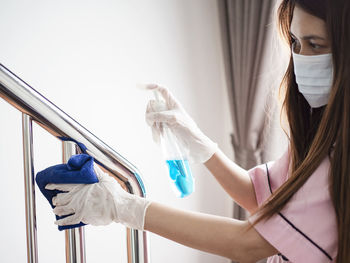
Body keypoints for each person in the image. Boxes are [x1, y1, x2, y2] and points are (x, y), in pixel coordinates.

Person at [46, 0, 349, 262]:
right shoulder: (322, 133)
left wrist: (123, 207)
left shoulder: (339, 156)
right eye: (295, 43)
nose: (301, 59)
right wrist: (200, 144)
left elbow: (247, 245)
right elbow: (258, 198)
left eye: (316, 45)